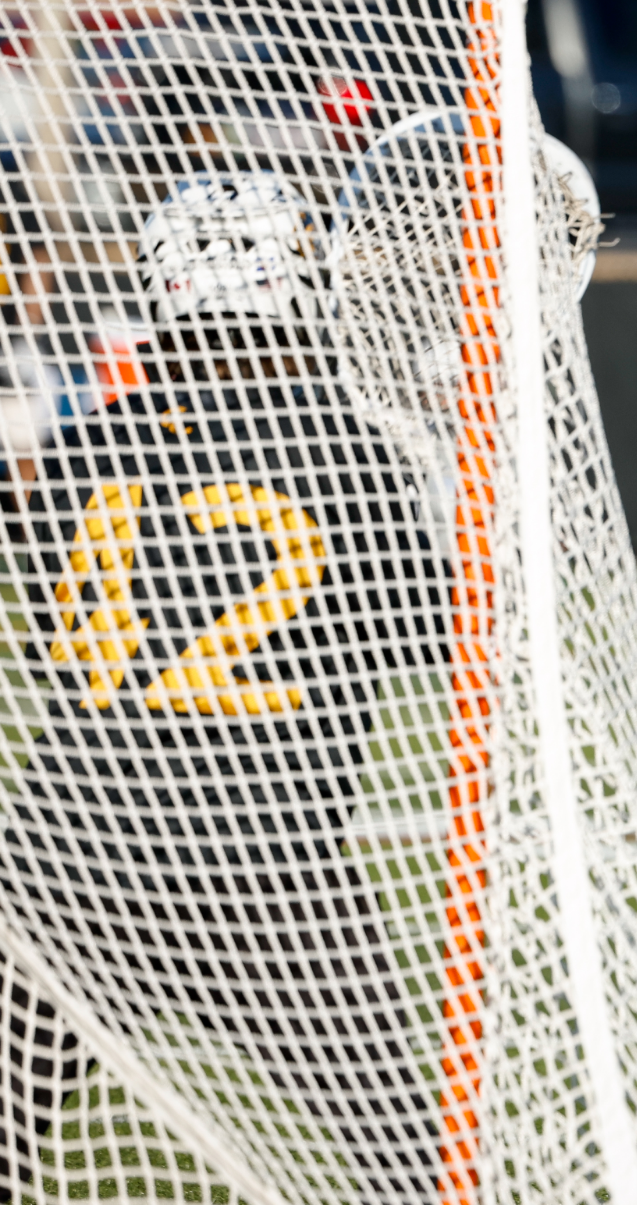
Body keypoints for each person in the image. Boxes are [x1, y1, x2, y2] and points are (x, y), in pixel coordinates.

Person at [0, 173, 450, 1197]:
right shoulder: (352, 452)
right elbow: (430, 632)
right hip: (265, 866)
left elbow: (59, 653)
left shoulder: (79, 443)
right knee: (405, 1164)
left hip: (66, 851)